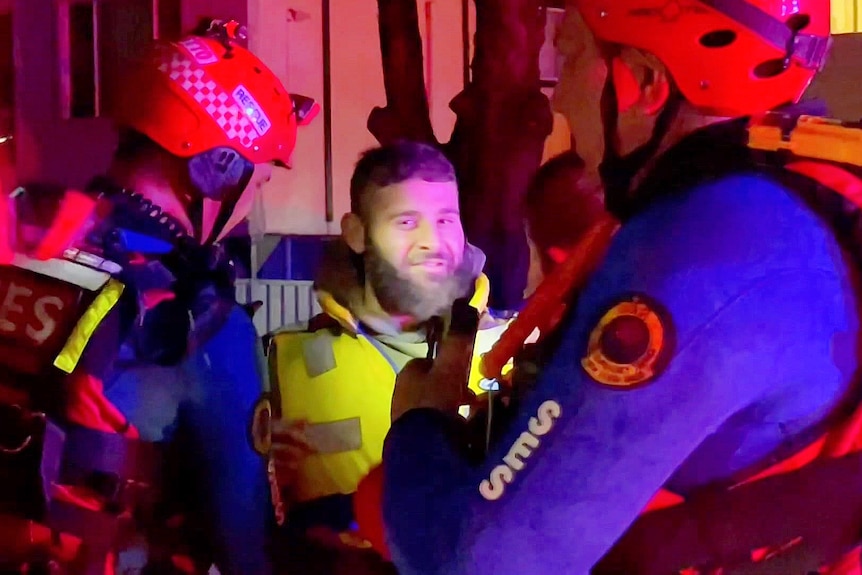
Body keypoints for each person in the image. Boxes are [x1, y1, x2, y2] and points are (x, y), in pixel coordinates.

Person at [378, 1, 862, 574]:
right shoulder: (778, 210)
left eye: (571, 54)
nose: (558, 99)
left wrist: (417, 427)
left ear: (644, 83)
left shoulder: (698, 251)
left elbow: (482, 561)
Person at [0, 20, 315, 574]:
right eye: (258, 181)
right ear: (215, 170)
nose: (251, 204)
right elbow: (244, 544)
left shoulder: (32, 243)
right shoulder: (202, 319)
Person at [266, 141, 511, 571]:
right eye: (406, 221)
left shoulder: (520, 351)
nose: (431, 243)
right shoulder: (280, 361)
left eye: (445, 220)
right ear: (357, 234)